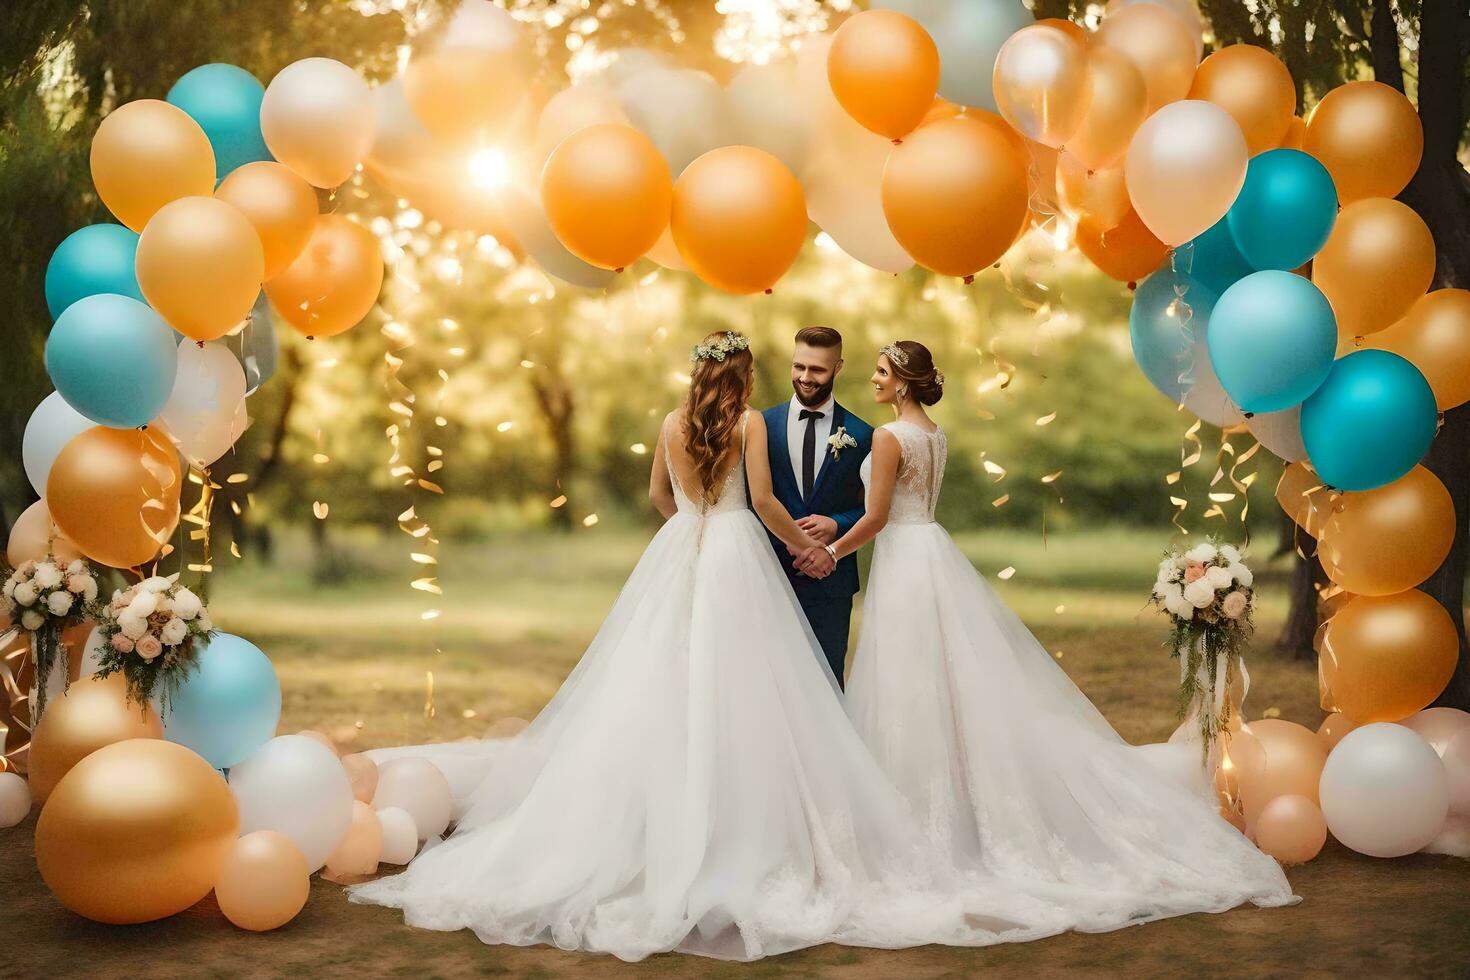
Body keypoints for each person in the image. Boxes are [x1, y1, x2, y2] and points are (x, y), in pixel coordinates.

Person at [348, 332, 1060, 961]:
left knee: (665, 677)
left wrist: (691, 523)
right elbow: (767, 501)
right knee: (756, 683)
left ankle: (669, 813)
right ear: (744, 378)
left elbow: (660, 495)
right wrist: (798, 546)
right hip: (739, 552)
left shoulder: (669, 422)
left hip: (684, 546)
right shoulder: (750, 424)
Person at [798, 340, 1297, 928]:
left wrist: (830, 549)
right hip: (929, 549)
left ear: (904, 382)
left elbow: (878, 515)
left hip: (906, 561)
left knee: (909, 681)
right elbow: (900, 504)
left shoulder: (887, 437)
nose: (874, 381)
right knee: (943, 678)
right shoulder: (934, 435)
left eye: (882, 373)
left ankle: (921, 816)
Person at [758, 326, 872, 686]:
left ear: (838, 367)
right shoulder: (760, 425)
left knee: (826, 682)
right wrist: (790, 542)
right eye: (799, 367)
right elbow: (748, 500)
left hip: (830, 581)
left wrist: (837, 524)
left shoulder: (864, 433)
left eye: (817, 370)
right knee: (768, 683)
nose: (806, 378)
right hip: (767, 573)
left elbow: (874, 510)